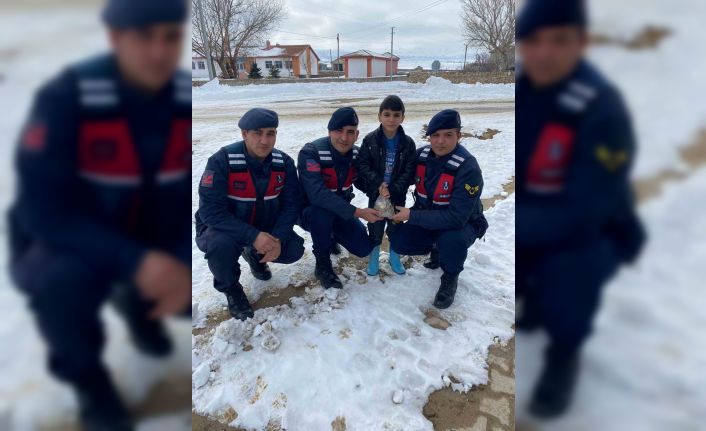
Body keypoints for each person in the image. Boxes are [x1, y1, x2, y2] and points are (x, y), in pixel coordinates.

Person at [7, 0, 191, 429]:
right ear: (114, 38)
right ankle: (90, 386)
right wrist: (137, 262)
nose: (159, 52)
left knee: (186, 278)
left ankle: (138, 304)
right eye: (144, 36)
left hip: (150, 229)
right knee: (59, 287)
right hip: (71, 236)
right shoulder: (66, 97)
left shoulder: (181, 97)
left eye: (171, 37)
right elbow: (41, 210)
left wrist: (178, 262)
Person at [516, 0, 645, 418]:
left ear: (582, 43)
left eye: (560, 40)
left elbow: (590, 206)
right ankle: (533, 299)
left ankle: (564, 354)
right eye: (534, 40)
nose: (544, 52)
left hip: (591, 229)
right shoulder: (524, 90)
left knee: (570, 280)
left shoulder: (600, 106)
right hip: (537, 218)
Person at [195, 108, 304, 321]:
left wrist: (278, 238)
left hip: (264, 224)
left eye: (270, 133)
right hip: (226, 228)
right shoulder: (222, 160)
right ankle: (232, 290)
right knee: (220, 247)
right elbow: (210, 211)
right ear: (244, 134)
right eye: (257, 132)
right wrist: (253, 236)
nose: (265, 140)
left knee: (294, 250)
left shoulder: (284, 163)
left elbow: (292, 205)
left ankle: (255, 256)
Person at [389, 110, 488, 309]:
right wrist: (384, 189)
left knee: (451, 240)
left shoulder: (468, 168)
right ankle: (436, 249)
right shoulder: (422, 156)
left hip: (461, 225)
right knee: (398, 238)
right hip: (429, 217)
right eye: (436, 135)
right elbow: (402, 179)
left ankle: (450, 277)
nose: (441, 141)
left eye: (448, 135)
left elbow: (456, 218)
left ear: (459, 136)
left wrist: (411, 215)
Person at [297, 107, 381, 289]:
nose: (344, 138)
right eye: (339, 131)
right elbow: (317, 195)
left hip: (340, 211)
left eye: (350, 132)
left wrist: (381, 191)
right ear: (329, 131)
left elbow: (361, 181)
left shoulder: (357, 155)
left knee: (363, 248)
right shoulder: (311, 153)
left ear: (357, 134)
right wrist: (358, 212)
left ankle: (331, 235)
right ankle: (322, 265)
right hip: (311, 212)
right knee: (322, 213)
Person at [357, 95, 417, 276]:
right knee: (375, 225)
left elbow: (409, 170)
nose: (391, 119)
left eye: (396, 115)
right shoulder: (370, 141)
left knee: (395, 225)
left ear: (403, 118)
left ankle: (394, 255)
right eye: (387, 114)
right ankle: (374, 256)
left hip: (397, 194)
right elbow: (362, 165)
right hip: (376, 193)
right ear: (379, 116)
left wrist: (394, 188)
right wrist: (378, 184)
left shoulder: (407, 143)